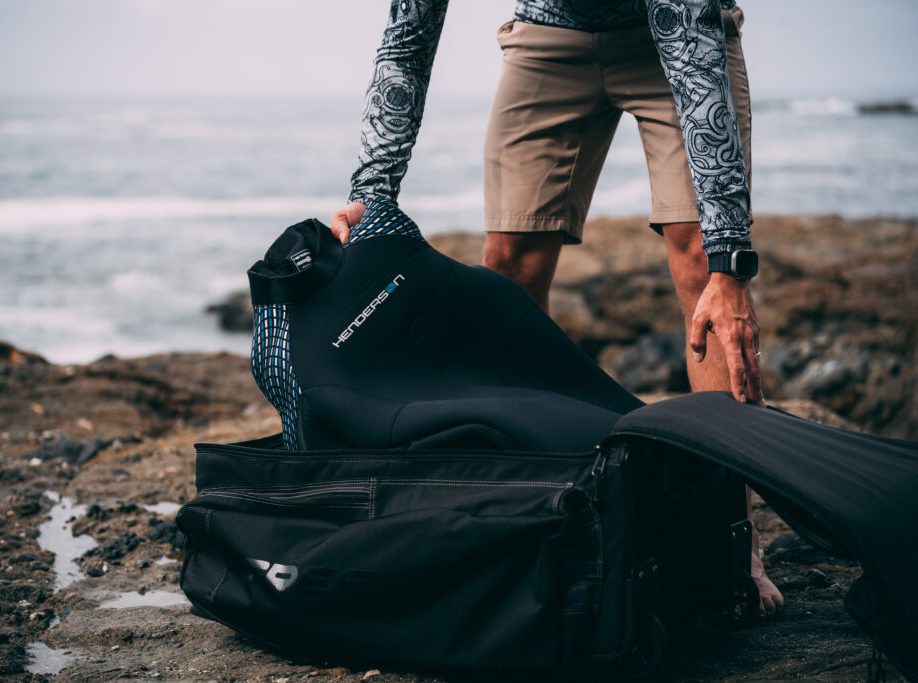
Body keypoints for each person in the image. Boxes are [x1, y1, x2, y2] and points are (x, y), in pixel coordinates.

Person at [329, 0, 783, 616]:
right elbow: (410, 33)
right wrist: (371, 198)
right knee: (506, 267)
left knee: (700, 258)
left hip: (675, 35)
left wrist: (730, 262)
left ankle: (731, 535)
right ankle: (523, 515)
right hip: (550, 35)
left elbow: (692, 50)